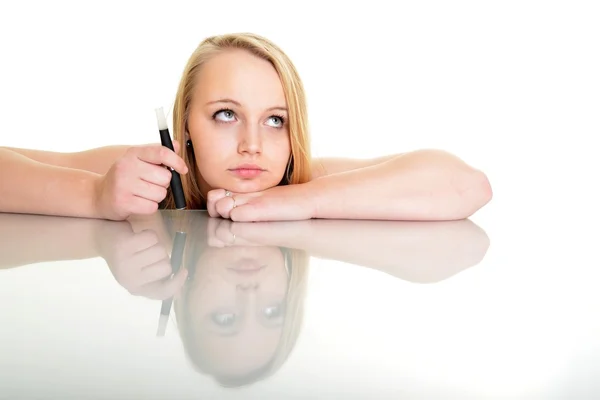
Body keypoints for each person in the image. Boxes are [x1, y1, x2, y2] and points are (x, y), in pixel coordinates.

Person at [0, 32, 493, 222]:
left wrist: (295, 201)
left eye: (275, 121)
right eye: (226, 114)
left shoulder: (299, 179)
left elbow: (466, 184)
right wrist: (93, 196)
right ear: (184, 127)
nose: (253, 145)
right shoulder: (152, 176)